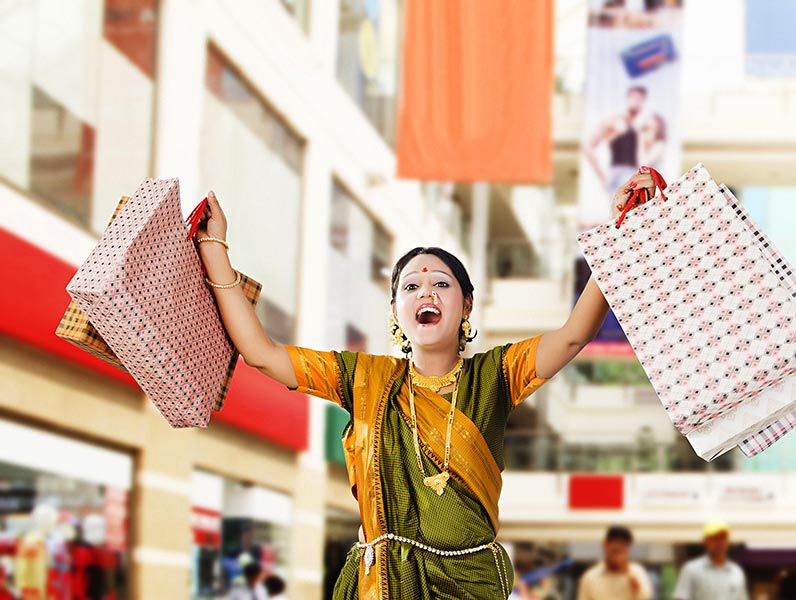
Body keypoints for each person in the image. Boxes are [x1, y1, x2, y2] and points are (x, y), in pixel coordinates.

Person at [195, 169, 658, 599]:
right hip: (382, 586)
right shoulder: (364, 378)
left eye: (441, 284)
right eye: (411, 288)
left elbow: (574, 334)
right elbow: (262, 353)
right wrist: (215, 248)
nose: (426, 293)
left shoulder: (496, 375)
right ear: (395, 310)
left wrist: (619, 232)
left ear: (467, 305)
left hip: (470, 585)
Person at [583, 86, 649, 196]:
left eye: (641, 99)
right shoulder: (614, 121)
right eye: (635, 98)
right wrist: (602, 176)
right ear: (627, 99)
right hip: (620, 174)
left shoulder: (639, 126)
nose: (637, 102)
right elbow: (588, 147)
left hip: (633, 175)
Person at [673, 522, 748, 600]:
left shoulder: (737, 572)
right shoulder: (691, 570)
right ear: (705, 541)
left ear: (728, 541)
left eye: (723, 538)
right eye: (715, 538)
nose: (719, 543)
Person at [577, 526, 652, 600]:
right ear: (605, 544)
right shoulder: (590, 577)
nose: (618, 554)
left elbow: (645, 597)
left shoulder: (637, 572)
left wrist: (630, 577)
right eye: (615, 550)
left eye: (624, 547)